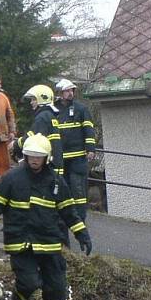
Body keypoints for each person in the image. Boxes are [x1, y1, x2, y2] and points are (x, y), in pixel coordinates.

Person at [0, 134, 92, 300]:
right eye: (30, 155)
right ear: (25, 155)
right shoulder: (12, 179)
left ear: (46, 158)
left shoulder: (56, 182)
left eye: (38, 156)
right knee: (29, 282)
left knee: (56, 288)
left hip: (48, 244)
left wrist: (82, 234)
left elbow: (69, 212)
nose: (33, 159)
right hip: (20, 243)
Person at [54, 79, 97, 221]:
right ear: (60, 92)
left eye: (72, 90)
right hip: (59, 159)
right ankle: (64, 219)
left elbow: (88, 129)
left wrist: (90, 148)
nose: (70, 93)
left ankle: (79, 220)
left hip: (77, 158)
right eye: (67, 90)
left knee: (78, 191)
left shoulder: (81, 109)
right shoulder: (53, 109)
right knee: (62, 190)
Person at [13, 85, 64, 177]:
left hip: (47, 164)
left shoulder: (42, 117)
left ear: (42, 99)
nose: (31, 102)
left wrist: (15, 144)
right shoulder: (50, 115)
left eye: (34, 99)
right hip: (55, 161)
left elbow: (32, 137)